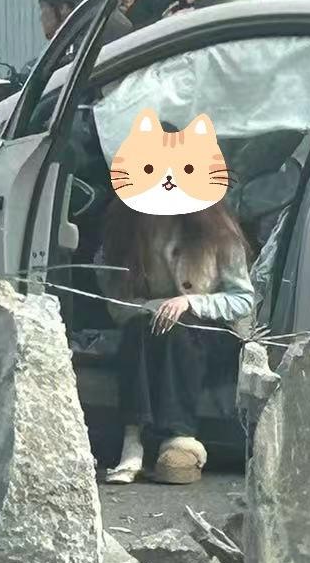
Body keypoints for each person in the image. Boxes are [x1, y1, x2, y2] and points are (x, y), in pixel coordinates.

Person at [96, 196, 253, 485]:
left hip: (210, 333)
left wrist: (191, 303)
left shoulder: (220, 233)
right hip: (150, 327)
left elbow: (242, 300)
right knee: (137, 331)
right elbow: (117, 303)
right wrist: (152, 306)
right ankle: (132, 438)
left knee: (179, 332)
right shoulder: (124, 233)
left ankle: (179, 436)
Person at [27, 0, 133, 60]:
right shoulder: (91, 30)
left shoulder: (84, 44)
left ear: (63, 8)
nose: (41, 18)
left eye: (43, 9)